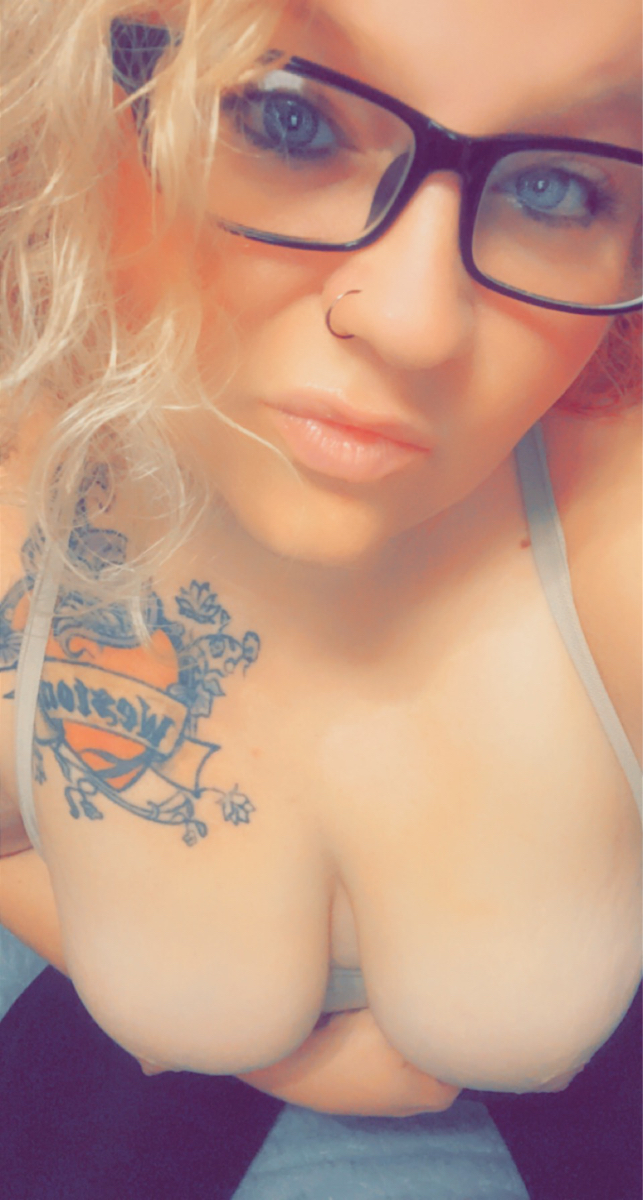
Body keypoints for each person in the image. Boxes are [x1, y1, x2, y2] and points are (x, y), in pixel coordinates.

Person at [0, 1, 641, 1196]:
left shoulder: (617, 534)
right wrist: (268, 1054)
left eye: (556, 189)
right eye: (286, 118)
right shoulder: (24, 507)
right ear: (81, 98)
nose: (411, 325)